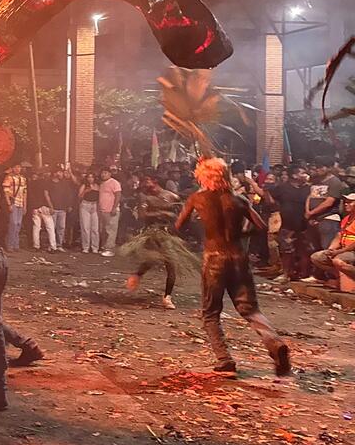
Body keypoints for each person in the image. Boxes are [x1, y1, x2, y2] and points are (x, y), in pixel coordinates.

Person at [175, 157, 291, 376]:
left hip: (214, 258)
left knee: (210, 313)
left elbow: (179, 225)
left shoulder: (196, 198)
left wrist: (204, 229)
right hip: (239, 257)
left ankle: (225, 359)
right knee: (250, 309)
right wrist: (239, 234)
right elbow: (262, 226)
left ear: (203, 177)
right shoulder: (239, 200)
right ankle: (274, 343)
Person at [122, 176, 184, 309]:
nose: (145, 184)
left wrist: (175, 219)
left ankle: (167, 297)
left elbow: (181, 213)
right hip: (153, 233)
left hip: (168, 235)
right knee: (151, 260)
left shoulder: (171, 196)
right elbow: (142, 215)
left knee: (171, 265)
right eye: (143, 182)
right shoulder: (145, 198)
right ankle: (137, 275)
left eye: (147, 181)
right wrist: (161, 213)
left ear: (155, 181)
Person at [267, 167, 313, 283]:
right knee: (287, 251)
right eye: (302, 172)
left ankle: (304, 274)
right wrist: (265, 192)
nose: (305, 174)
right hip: (287, 226)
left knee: (304, 250)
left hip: (304, 226)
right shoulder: (283, 187)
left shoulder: (308, 188)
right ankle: (286, 274)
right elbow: (271, 201)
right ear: (294, 175)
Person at [303, 166, 347, 283]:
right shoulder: (316, 181)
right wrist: (308, 213)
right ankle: (318, 275)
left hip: (328, 219)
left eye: (320, 166)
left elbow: (329, 202)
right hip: (314, 220)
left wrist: (312, 212)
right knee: (314, 247)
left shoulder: (334, 182)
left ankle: (333, 277)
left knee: (327, 248)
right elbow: (310, 196)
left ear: (328, 167)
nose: (317, 169)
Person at [311, 192, 355, 283]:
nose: (346, 204)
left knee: (338, 260)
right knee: (317, 257)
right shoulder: (346, 219)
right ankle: (341, 279)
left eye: (350, 202)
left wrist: (340, 251)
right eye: (345, 201)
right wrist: (330, 250)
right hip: (344, 250)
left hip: (352, 251)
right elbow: (339, 236)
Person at [48, 167, 78, 251]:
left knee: (61, 227)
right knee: (52, 227)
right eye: (58, 172)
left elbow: (68, 194)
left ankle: (59, 244)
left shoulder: (65, 183)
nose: (60, 174)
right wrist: (50, 206)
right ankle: (52, 244)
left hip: (62, 209)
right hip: (53, 208)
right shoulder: (50, 183)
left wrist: (68, 205)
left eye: (61, 172)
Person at [28, 167, 56, 251]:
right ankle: (53, 246)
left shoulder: (31, 183)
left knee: (36, 227)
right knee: (50, 227)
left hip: (35, 207)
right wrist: (51, 206)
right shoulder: (45, 183)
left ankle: (36, 246)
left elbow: (30, 196)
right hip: (44, 207)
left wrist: (33, 207)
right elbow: (46, 195)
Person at [97, 167, 123, 256]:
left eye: (105, 173)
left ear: (109, 173)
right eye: (102, 173)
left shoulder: (114, 183)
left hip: (111, 210)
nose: (103, 175)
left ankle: (110, 249)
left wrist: (114, 208)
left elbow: (118, 195)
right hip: (102, 210)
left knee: (111, 230)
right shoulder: (102, 184)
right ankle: (104, 247)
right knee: (103, 230)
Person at [1, 164, 27, 251]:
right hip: (13, 203)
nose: (18, 169)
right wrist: (9, 204)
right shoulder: (9, 178)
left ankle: (16, 244)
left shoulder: (23, 178)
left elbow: (24, 193)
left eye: (19, 167)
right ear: (12, 168)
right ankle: (10, 245)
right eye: (16, 167)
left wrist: (24, 205)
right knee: (13, 224)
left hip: (20, 203)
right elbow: (6, 192)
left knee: (18, 224)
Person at [78, 172, 100, 253]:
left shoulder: (98, 186)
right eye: (89, 177)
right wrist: (86, 191)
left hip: (94, 205)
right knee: (85, 227)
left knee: (95, 228)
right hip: (85, 205)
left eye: (92, 177)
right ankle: (86, 247)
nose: (90, 179)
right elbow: (79, 196)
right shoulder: (84, 185)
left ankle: (95, 247)